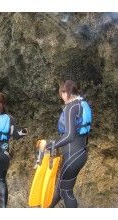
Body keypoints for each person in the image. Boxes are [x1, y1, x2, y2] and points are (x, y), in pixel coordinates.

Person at [46, 80, 92, 208]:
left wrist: (53, 144)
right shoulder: (82, 104)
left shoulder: (71, 107)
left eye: (62, 93)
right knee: (61, 188)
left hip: (73, 154)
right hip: (80, 153)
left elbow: (70, 135)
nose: (61, 97)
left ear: (66, 92)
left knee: (66, 191)